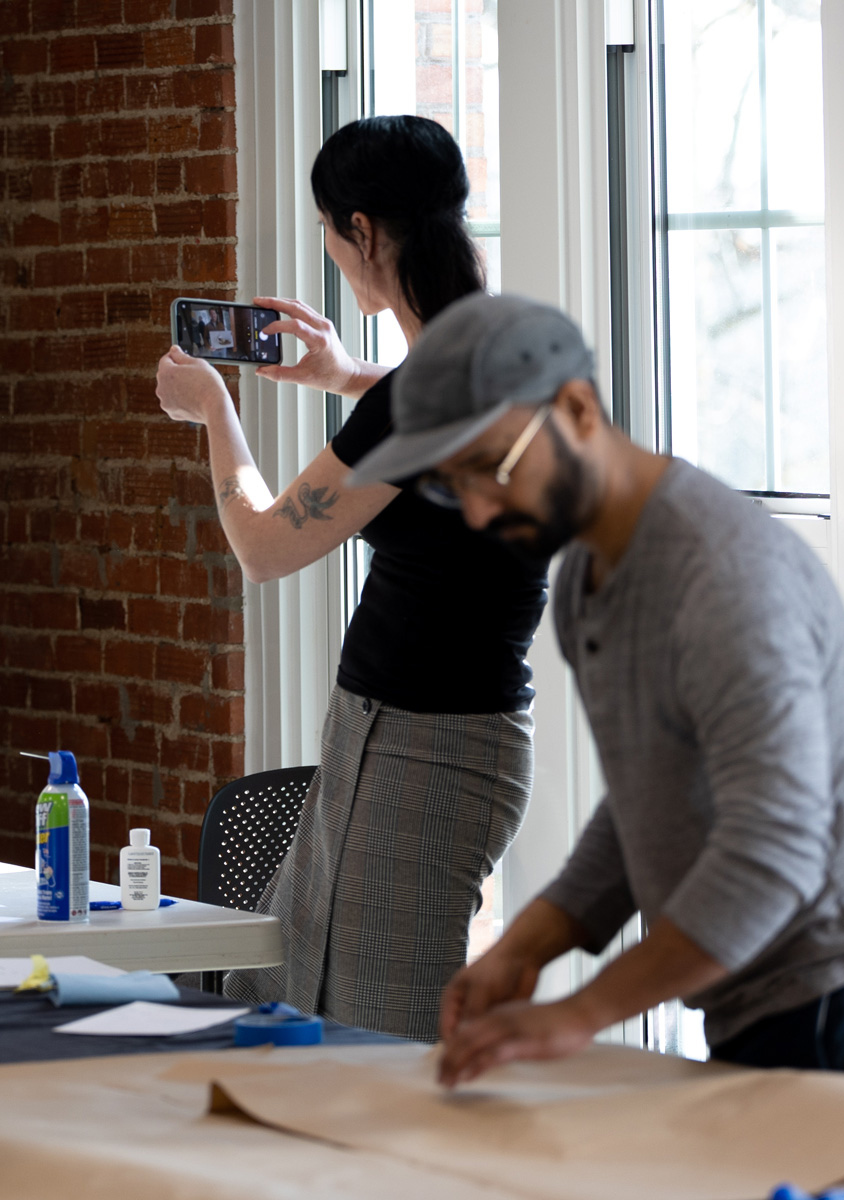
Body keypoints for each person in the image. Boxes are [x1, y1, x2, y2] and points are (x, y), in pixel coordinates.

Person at [337, 291, 844, 1083]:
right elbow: (651, 798)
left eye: (491, 468)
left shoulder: (722, 578)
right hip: (766, 999)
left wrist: (580, 1013)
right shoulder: (582, 583)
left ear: (577, 407)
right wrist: (528, 943)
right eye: (450, 485)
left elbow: (775, 853)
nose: (478, 509)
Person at [151, 115, 549, 1040]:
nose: (333, 252)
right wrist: (345, 377)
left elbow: (262, 546)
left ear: (362, 231)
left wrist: (215, 410)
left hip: (420, 746)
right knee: (302, 990)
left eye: (331, 231)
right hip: (435, 738)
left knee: (379, 1035)